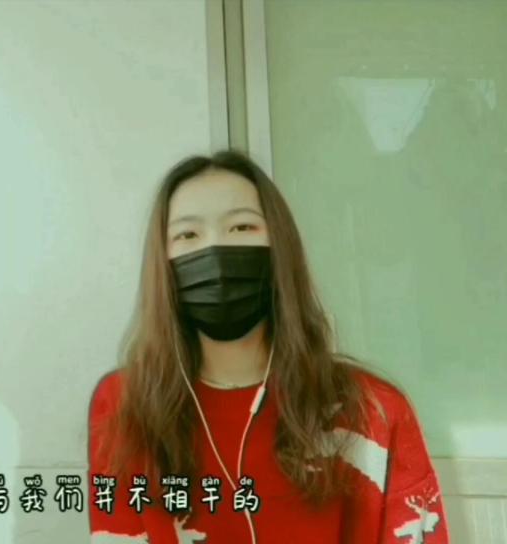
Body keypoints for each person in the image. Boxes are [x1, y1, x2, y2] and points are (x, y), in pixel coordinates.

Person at [87, 150, 449, 543]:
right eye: (187, 235)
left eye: (241, 227)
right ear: (162, 262)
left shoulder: (372, 411)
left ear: (280, 247)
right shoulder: (125, 406)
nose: (216, 250)